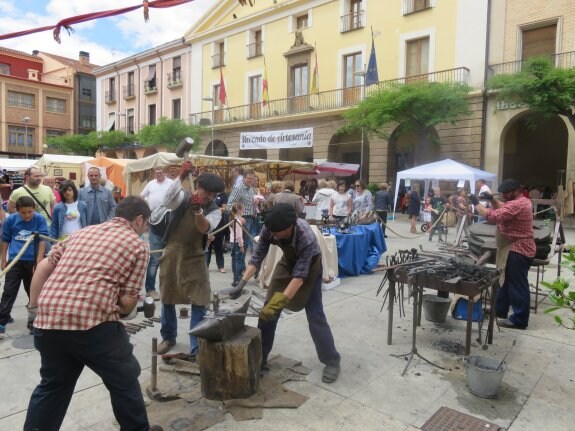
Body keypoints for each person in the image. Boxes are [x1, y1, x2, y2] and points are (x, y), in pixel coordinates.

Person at [23, 197, 162, 431]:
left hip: (47, 322)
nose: (145, 230)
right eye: (146, 225)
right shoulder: (138, 245)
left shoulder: (82, 232)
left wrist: (34, 309)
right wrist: (117, 302)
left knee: (53, 387)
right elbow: (128, 304)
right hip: (93, 327)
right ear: (139, 220)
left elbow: (45, 266)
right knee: (124, 378)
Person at [230, 203, 341, 383]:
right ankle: (261, 358)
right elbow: (257, 257)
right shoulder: (270, 227)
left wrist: (279, 303)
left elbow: (299, 277)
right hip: (287, 262)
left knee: (315, 315)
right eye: (271, 231)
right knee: (267, 315)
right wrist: (241, 283)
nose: (272, 235)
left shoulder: (306, 237)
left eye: (276, 233)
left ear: (290, 227)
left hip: (310, 267)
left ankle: (332, 360)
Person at [155, 162, 224, 356]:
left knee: (199, 300)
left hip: (195, 256)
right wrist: (181, 177)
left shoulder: (214, 210)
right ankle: (168, 337)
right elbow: (167, 201)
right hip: (172, 252)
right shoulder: (183, 197)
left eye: (213, 194)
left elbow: (204, 228)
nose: (209, 197)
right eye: (207, 192)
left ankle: (196, 345)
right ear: (198, 186)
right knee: (167, 297)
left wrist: (198, 212)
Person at [470, 179, 535, 330]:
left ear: (516, 191)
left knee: (517, 285)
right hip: (512, 247)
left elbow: (493, 216)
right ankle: (500, 311)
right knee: (504, 282)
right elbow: (503, 207)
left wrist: (476, 203)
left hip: (518, 249)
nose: (504, 196)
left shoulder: (518, 204)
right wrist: (492, 199)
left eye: (507, 193)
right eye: (503, 193)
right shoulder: (521, 201)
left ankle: (519, 319)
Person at [0, 196, 48, 338]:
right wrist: (4, 259)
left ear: (34, 209)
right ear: (17, 211)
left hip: (32, 261)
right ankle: (2, 322)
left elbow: (43, 239)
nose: (27, 215)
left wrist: (39, 260)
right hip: (15, 260)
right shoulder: (11, 220)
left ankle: (34, 322)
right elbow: (5, 239)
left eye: (29, 212)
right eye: (23, 212)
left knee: (33, 292)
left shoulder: (39, 219)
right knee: (9, 291)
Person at [140, 167, 174, 300]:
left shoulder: (171, 183)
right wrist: (145, 214)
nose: (159, 174)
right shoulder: (151, 184)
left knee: (170, 260)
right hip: (155, 226)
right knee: (154, 260)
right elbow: (141, 197)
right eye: (157, 172)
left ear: (165, 173)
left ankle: (168, 288)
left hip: (170, 226)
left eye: (161, 172)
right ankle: (150, 289)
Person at [228, 169, 258, 253]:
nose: (251, 180)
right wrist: (238, 217)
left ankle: (242, 266)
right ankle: (238, 266)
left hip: (251, 218)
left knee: (246, 245)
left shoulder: (251, 188)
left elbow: (250, 202)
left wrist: (255, 201)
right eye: (249, 178)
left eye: (252, 178)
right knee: (240, 246)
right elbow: (230, 205)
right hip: (243, 219)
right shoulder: (238, 188)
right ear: (244, 178)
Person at [205, 192, 228, 273]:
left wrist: (214, 210)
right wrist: (217, 209)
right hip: (207, 223)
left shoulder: (223, 195)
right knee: (207, 247)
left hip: (218, 223)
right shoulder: (207, 194)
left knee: (219, 246)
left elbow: (224, 209)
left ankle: (221, 266)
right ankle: (205, 266)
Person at [229, 203, 246, 287]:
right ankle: (237, 279)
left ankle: (235, 279)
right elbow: (239, 236)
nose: (243, 211)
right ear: (239, 210)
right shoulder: (237, 221)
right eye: (242, 209)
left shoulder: (232, 219)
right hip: (237, 243)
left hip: (232, 241)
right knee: (238, 261)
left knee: (234, 260)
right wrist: (241, 245)